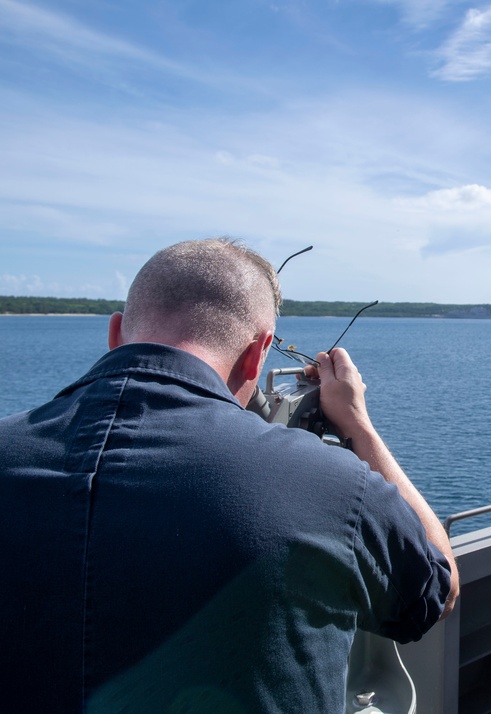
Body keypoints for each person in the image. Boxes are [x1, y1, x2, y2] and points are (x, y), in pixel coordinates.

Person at [0, 238, 458, 713]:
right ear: (258, 355)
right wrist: (358, 427)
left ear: (115, 334)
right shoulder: (335, 486)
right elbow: (437, 590)